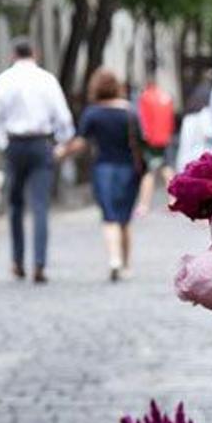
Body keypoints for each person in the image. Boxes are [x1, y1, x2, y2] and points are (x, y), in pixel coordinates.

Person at [0, 37, 73, 283]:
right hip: (41, 143)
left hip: (14, 145)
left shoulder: (4, 80)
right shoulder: (47, 79)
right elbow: (62, 117)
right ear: (35, 53)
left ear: (13, 55)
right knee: (40, 206)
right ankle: (39, 263)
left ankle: (17, 261)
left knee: (15, 205)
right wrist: (63, 143)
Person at [69, 68, 143, 281]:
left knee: (109, 217)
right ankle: (127, 264)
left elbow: (81, 143)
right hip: (128, 169)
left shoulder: (92, 113)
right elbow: (141, 140)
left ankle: (114, 259)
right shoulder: (129, 111)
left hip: (103, 169)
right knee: (125, 219)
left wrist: (62, 152)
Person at [135, 75, 176, 214]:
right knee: (167, 169)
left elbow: (142, 119)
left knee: (149, 172)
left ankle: (144, 205)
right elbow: (171, 118)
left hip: (151, 140)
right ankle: (173, 200)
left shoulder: (145, 97)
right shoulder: (166, 96)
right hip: (166, 138)